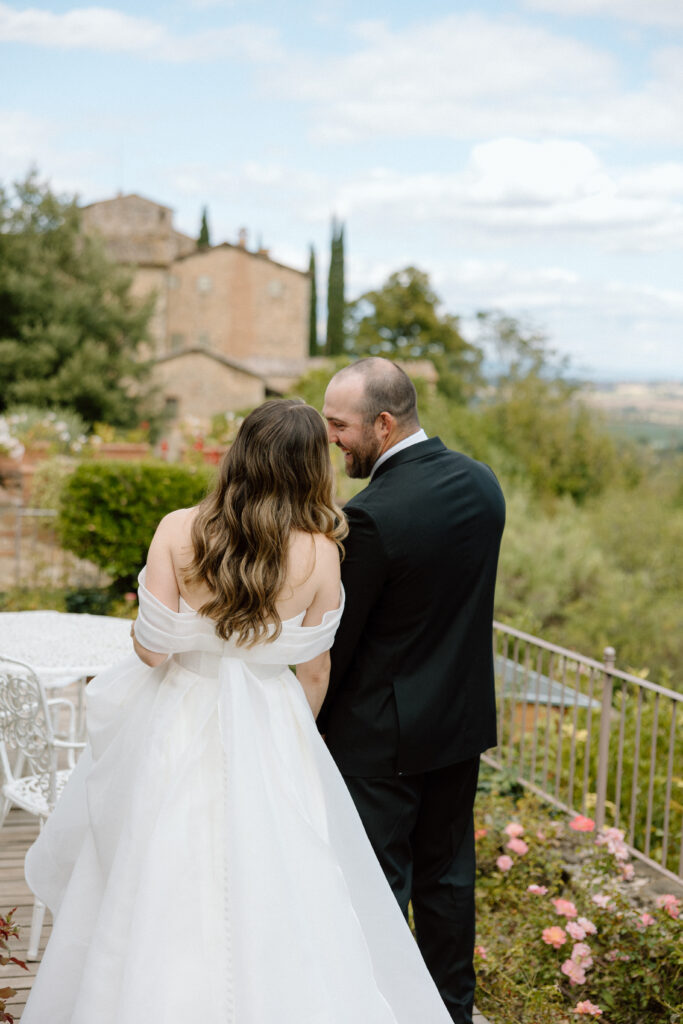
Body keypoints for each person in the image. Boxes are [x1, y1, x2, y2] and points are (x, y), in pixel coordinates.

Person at [21, 399, 453, 1024]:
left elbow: (150, 650)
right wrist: (284, 733)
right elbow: (314, 669)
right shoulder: (323, 553)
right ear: (310, 468)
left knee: (160, 865)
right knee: (279, 874)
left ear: (239, 454)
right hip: (273, 719)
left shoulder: (177, 529)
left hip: (177, 711)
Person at [319, 359, 506, 1024]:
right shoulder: (482, 485)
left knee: (376, 890)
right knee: (449, 882)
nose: (331, 437)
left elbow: (341, 645)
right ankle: (452, 1014)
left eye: (339, 425)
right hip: (458, 726)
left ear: (384, 422)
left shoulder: (368, 516)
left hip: (377, 740)